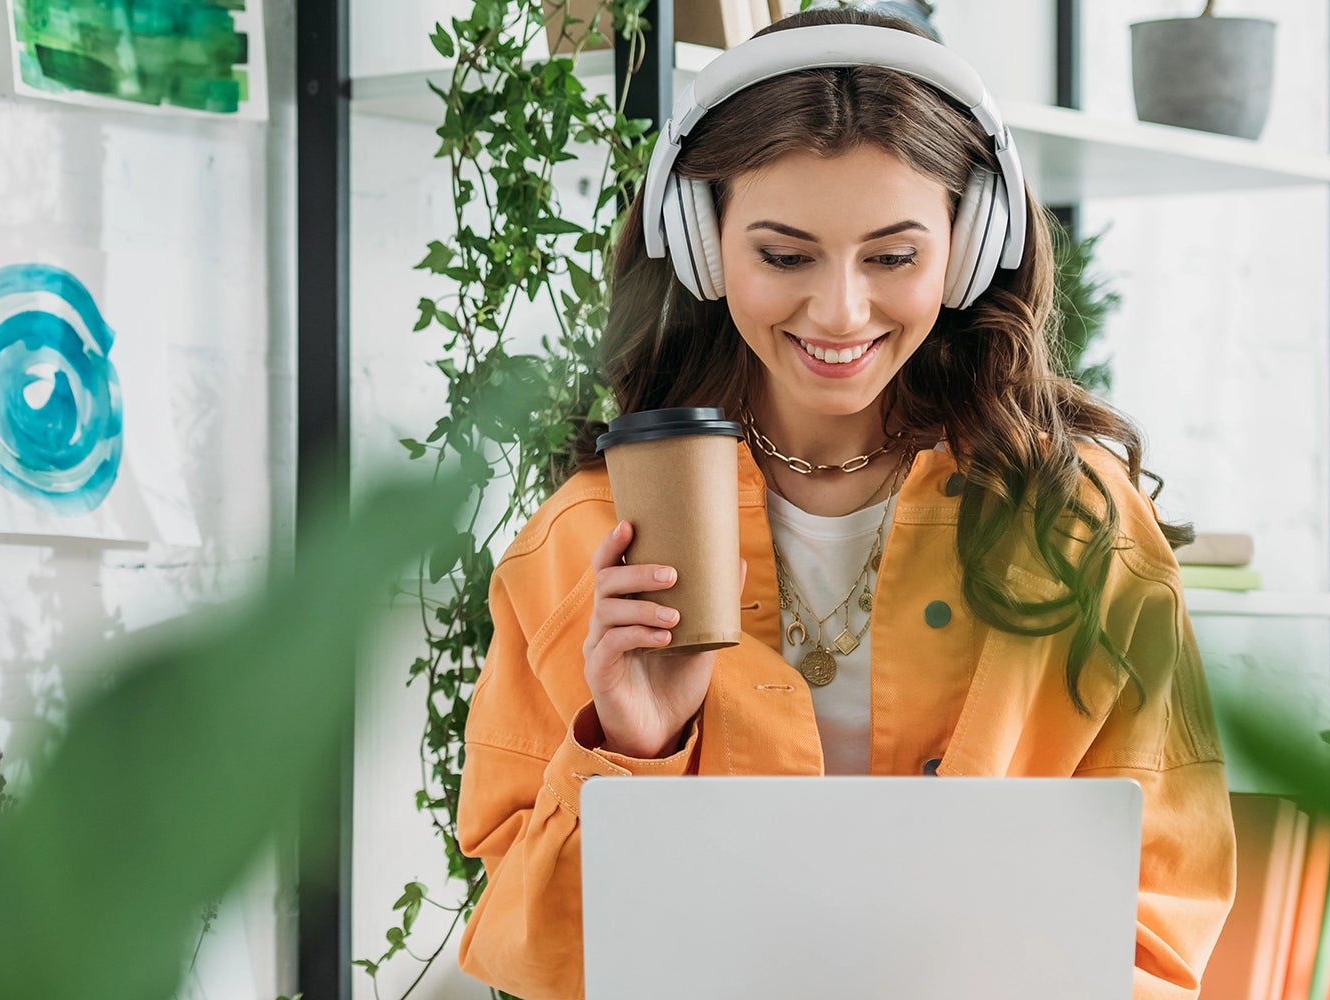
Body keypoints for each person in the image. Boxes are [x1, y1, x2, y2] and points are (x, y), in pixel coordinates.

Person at [455, 7, 1236, 998]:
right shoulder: (585, 541)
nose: (839, 311)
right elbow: (529, 949)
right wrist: (634, 747)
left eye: (892, 257)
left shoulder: (1080, 527)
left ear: (967, 247)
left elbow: (1161, 918)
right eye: (784, 256)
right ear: (702, 244)